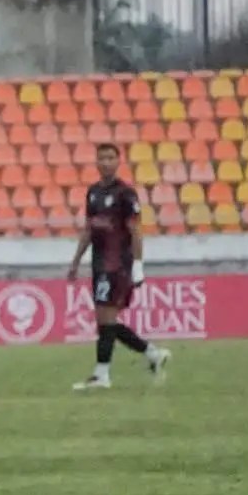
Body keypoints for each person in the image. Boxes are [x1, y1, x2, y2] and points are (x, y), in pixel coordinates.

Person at [66, 142, 169, 390]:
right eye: (102, 158)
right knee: (106, 321)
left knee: (106, 318)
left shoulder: (126, 194)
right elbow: (89, 229)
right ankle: (152, 353)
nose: (106, 162)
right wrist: (76, 261)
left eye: (110, 158)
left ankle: (102, 375)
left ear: (118, 161)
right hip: (99, 263)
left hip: (117, 265)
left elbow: (135, 231)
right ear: (96, 162)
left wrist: (138, 265)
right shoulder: (93, 192)